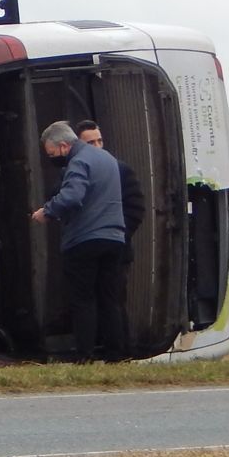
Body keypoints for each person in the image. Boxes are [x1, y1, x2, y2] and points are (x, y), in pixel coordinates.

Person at [31, 121, 125, 361]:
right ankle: (116, 354)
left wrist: (47, 211)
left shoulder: (79, 161)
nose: (52, 158)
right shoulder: (108, 159)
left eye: (52, 154)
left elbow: (72, 196)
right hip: (114, 238)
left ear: (64, 146)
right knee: (110, 299)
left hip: (85, 239)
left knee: (84, 299)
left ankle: (85, 355)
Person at [77, 119, 144, 358]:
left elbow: (137, 207)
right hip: (85, 247)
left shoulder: (120, 169)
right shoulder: (77, 170)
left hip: (116, 250)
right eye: (90, 142)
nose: (97, 146)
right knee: (86, 301)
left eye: (99, 140)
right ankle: (90, 351)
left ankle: (119, 352)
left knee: (112, 301)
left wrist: (117, 234)